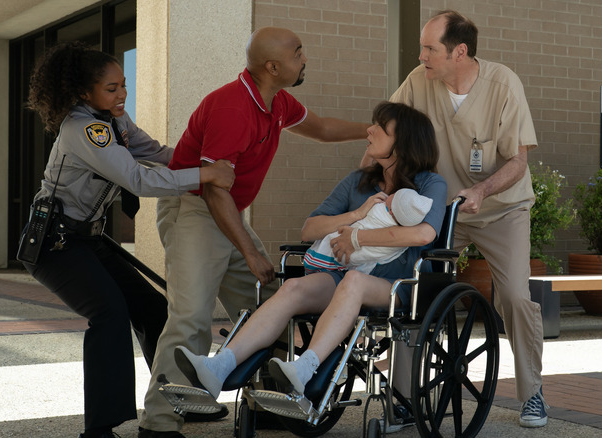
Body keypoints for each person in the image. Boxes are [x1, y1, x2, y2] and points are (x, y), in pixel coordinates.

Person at [137, 27, 371, 438]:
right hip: (195, 209)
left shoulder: (277, 101)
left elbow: (321, 128)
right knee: (191, 318)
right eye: (298, 53)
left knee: (269, 306)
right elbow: (214, 190)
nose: (305, 58)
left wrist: (373, 131)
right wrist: (250, 252)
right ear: (273, 67)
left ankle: (266, 405)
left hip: (228, 213)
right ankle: (159, 423)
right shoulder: (232, 108)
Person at [20, 41, 235, 438]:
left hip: (89, 239)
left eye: (123, 85)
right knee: (109, 314)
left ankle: (177, 401)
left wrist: (205, 162)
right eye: (111, 88)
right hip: (55, 244)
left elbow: (155, 153)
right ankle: (99, 430)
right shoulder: (84, 128)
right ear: (84, 93)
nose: (122, 94)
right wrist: (205, 176)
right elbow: (138, 179)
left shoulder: (113, 121)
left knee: (152, 309)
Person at [173, 101, 447, 407]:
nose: (369, 130)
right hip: (342, 276)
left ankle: (304, 368)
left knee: (354, 281)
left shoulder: (430, 183)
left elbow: (424, 234)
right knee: (293, 288)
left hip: (397, 285)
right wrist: (355, 215)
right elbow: (310, 229)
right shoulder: (359, 181)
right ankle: (219, 366)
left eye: (380, 128)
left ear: (403, 142)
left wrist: (358, 238)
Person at [388, 10, 548, 428]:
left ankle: (532, 393)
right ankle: (403, 398)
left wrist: (480, 191)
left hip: (502, 208)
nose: (421, 56)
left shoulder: (504, 84)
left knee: (513, 296)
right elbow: (387, 133)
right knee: (415, 289)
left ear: (459, 52)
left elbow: (518, 161)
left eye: (429, 48)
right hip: (444, 211)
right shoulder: (418, 82)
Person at [303, 187, 434, 274]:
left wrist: (355, 237)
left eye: (394, 196)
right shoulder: (404, 232)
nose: (390, 194)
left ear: (391, 211)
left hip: (338, 255)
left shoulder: (379, 210)